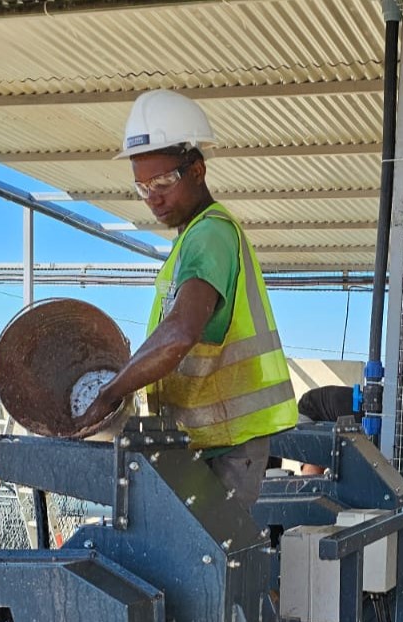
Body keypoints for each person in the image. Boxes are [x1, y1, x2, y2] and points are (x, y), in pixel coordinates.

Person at [81, 90, 297, 510]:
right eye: (143, 187)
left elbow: (180, 332)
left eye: (163, 182)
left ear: (197, 170)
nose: (153, 197)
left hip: (229, 442)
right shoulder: (188, 243)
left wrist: (110, 392)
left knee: (216, 563)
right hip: (209, 439)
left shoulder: (209, 235)